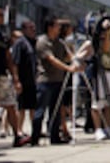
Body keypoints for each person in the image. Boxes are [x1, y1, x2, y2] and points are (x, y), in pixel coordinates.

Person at [76, 15, 110, 140]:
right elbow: (104, 48)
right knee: (98, 102)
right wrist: (106, 34)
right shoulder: (97, 38)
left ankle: (107, 127)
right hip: (101, 70)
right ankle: (98, 129)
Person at [31, 15, 79, 146]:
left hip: (58, 80)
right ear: (50, 27)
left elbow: (68, 57)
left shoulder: (60, 42)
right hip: (45, 81)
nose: (60, 28)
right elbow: (52, 60)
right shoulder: (42, 41)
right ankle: (35, 138)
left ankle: (55, 137)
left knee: (56, 111)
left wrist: (76, 60)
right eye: (57, 25)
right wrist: (69, 68)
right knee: (40, 110)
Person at [0, 6, 31, 147]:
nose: (1, 16)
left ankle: (17, 136)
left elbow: (9, 58)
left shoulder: (3, 36)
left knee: (10, 105)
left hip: (2, 76)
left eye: (2, 14)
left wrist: (15, 78)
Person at [10, 19, 36, 137]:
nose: (33, 30)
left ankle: (35, 129)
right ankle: (19, 130)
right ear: (24, 29)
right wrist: (16, 80)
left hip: (32, 80)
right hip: (22, 79)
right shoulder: (20, 43)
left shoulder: (33, 42)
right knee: (21, 107)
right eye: (30, 28)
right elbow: (15, 62)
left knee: (32, 106)